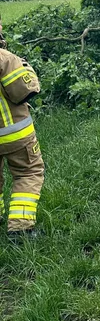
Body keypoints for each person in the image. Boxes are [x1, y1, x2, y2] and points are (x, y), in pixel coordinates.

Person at [0, 44, 44, 241]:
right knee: (28, 172)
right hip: (13, 133)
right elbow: (25, 91)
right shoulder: (4, 58)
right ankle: (20, 230)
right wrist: (25, 67)